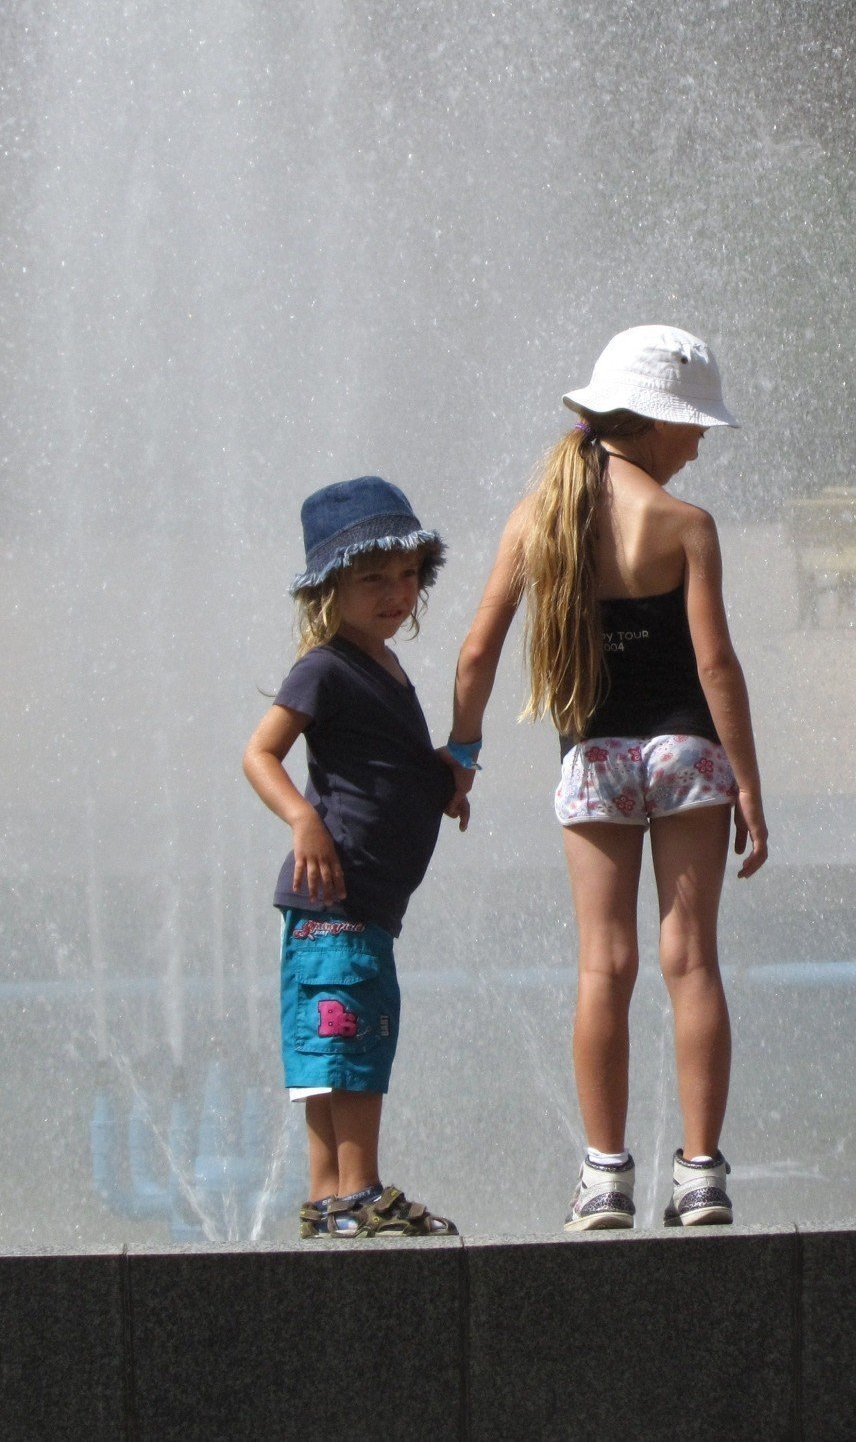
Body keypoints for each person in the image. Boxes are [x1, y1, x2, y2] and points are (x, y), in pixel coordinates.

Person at [448, 325, 768, 1231]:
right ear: (660, 423)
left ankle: (605, 1176)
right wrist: (747, 780)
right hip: (686, 754)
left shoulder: (539, 516)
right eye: (695, 426)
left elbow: (476, 652)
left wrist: (462, 755)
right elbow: (716, 668)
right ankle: (701, 1174)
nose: (701, 442)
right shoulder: (684, 525)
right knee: (691, 957)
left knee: (606, 962)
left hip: (593, 758)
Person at [243, 477, 467, 1238]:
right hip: (333, 898)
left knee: (336, 1036)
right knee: (346, 1038)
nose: (396, 593)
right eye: (373, 579)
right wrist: (303, 819)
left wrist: (437, 779)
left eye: (407, 575)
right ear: (328, 587)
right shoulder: (325, 665)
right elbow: (260, 753)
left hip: (363, 907)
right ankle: (356, 1187)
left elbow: (379, 762)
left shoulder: (385, 669)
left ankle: (331, 1197)